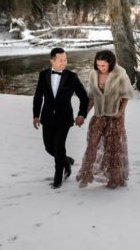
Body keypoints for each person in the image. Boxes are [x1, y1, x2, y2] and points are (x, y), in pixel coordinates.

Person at [33, 47, 89, 189]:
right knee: (49, 147)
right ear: (52, 60)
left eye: (65, 60)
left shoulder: (72, 76)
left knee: (59, 147)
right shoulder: (43, 75)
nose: (63, 63)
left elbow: (84, 97)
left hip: (64, 118)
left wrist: (82, 114)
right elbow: (38, 96)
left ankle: (58, 178)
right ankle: (67, 160)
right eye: (60, 60)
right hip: (47, 117)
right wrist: (35, 115)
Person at [76, 50, 132, 189]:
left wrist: (120, 111)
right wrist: (83, 115)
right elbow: (91, 98)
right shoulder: (93, 74)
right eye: (98, 65)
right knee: (92, 144)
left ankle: (114, 177)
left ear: (111, 64)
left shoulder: (120, 73)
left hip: (115, 116)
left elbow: (126, 95)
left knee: (113, 147)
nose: (100, 68)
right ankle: (86, 174)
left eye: (103, 66)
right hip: (99, 115)